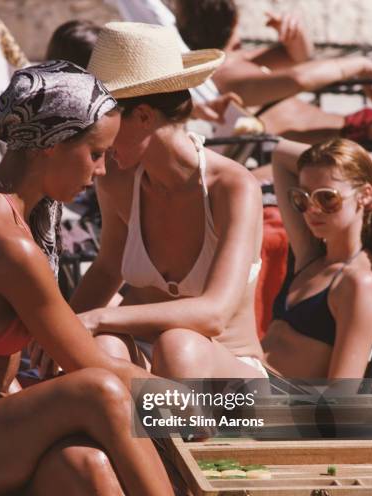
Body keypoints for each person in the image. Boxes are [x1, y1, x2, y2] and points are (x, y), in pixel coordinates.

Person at [0, 59, 248, 496]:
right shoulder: (3, 236)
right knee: (100, 390)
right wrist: (194, 408)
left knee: (91, 470)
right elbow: (87, 367)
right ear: (51, 145)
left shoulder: (18, 211)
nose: (101, 171)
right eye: (95, 153)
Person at [69, 21, 267, 382]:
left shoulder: (233, 186)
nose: (93, 134)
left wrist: (98, 318)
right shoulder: (116, 179)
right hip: (150, 369)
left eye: (101, 118)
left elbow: (214, 315)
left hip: (228, 374)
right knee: (102, 348)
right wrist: (60, 334)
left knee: (179, 346)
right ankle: (151, 436)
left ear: (143, 116)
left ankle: (155, 433)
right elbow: (107, 268)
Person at [116, 0, 372, 145]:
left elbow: (298, 58)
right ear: (234, 22)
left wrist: (295, 35)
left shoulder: (242, 61)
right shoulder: (222, 75)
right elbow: (299, 77)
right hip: (343, 138)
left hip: (351, 127)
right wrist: (357, 64)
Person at [262, 137, 372, 380]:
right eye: (303, 198)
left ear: (364, 194)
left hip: (278, 404)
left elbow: (341, 398)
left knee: (182, 347)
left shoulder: (358, 282)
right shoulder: (310, 256)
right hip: (247, 385)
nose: (312, 209)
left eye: (327, 198)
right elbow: (280, 154)